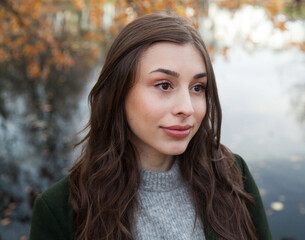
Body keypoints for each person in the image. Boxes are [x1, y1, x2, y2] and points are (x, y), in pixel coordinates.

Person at [30, 13, 272, 240]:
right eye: (164, 85)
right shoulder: (60, 210)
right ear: (119, 92)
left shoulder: (232, 174)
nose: (187, 108)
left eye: (197, 87)